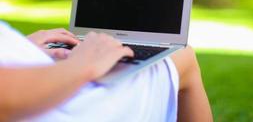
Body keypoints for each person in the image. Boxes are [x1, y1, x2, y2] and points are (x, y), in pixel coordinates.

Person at [0, 21, 212, 122]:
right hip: (44, 101)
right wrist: (83, 64)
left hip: (28, 73)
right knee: (183, 56)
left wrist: (22, 47)